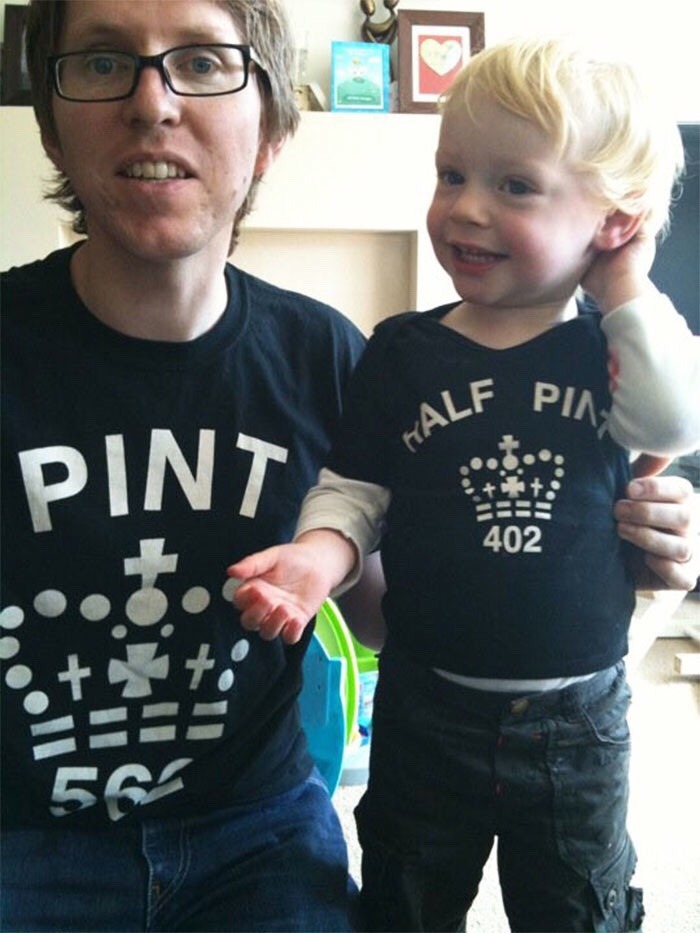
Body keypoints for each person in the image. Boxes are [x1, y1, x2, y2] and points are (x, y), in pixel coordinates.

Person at [0, 11, 696, 933]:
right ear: (49, 122)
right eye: (101, 61)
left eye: (201, 61)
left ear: (273, 129)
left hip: (257, 829)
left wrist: (615, 563)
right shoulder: (400, 353)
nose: (152, 102)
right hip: (22, 833)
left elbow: (381, 609)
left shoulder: (330, 354)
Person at [228, 37, 700, 932]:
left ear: (614, 221)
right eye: (452, 175)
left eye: (515, 185)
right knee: (406, 899)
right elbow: (353, 489)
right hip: (425, 705)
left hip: (577, 720)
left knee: (581, 907)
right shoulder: (403, 350)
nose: (465, 208)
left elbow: (677, 421)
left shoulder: (611, 350)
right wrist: (318, 556)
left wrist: (626, 280)